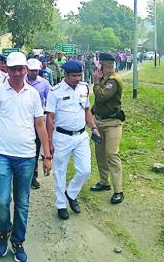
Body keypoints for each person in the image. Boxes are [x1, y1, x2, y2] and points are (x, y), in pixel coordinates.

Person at [0, 52, 52, 262]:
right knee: (2, 201)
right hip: (2, 154)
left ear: (25, 70)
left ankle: (18, 241)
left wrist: (47, 155)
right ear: (7, 69)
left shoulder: (32, 94)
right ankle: (4, 231)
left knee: (22, 203)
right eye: (13, 69)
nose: (17, 73)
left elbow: (40, 124)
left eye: (20, 69)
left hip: (27, 156)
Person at [45, 60, 100, 220]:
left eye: (79, 75)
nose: (77, 78)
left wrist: (94, 128)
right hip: (61, 137)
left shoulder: (84, 87)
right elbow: (50, 118)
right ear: (66, 75)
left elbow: (87, 110)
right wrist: (49, 141)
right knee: (60, 172)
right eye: (74, 75)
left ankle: (71, 193)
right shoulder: (55, 91)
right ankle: (61, 204)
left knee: (85, 169)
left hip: (81, 136)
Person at [90, 52, 125, 204]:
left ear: (104, 65)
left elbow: (102, 96)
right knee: (100, 154)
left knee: (111, 154)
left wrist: (96, 82)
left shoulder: (113, 81)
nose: (98, 68)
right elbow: (98, 103)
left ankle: (118, 190)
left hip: (112, 123)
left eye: (100, 65)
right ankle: (104, 182)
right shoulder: (104, 79)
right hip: (99, 122)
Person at [26, 58, 50, 189]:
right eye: (31, 70)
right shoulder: (21, 81)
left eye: (36, 71)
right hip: (23, 119)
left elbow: (49, 101)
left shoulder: (44, 83)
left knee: (35, 150)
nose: (33, 73)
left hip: (37, 120)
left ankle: (33, 177)